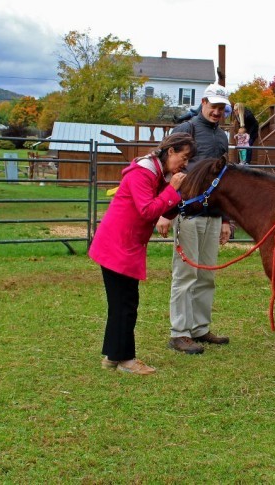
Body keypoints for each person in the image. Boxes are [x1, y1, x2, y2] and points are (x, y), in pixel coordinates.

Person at [89, 133, 196, 375]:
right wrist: (172, 189)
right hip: (117, 245)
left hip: (123, 245)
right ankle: (126, 360)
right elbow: (148, 210)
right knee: (125, 304)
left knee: (121, 304)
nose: (185, 163)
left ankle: (111, 357)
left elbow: (162, 207)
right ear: (170, 151)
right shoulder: (143, 172)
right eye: (184, 156)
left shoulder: (157, 174)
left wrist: (177, 198)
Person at [156, 83, 232, 355]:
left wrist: (225, 219)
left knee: (206, 274)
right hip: (186, 212)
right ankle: (180, 332)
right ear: (203, 102)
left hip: (212, 214)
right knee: (185, 273)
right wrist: (166, 211)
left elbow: (222, 179)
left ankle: (200, 328)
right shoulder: (185, 130)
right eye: (214, 105)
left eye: (222, 108)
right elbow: (168, 168)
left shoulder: (222, 138)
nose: (217, 111)